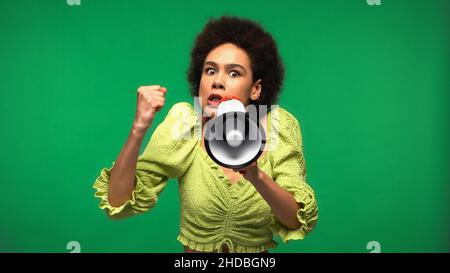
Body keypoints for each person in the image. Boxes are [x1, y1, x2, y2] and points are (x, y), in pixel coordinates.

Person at [93, 16, 318, 253]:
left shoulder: (278, 127)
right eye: (210, 70)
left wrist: (255, 175)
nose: (217, 82)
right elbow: (117, 202)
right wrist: (138, 128)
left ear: (256, 89)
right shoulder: (185, 124)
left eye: (234, 73)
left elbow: (296, 220)